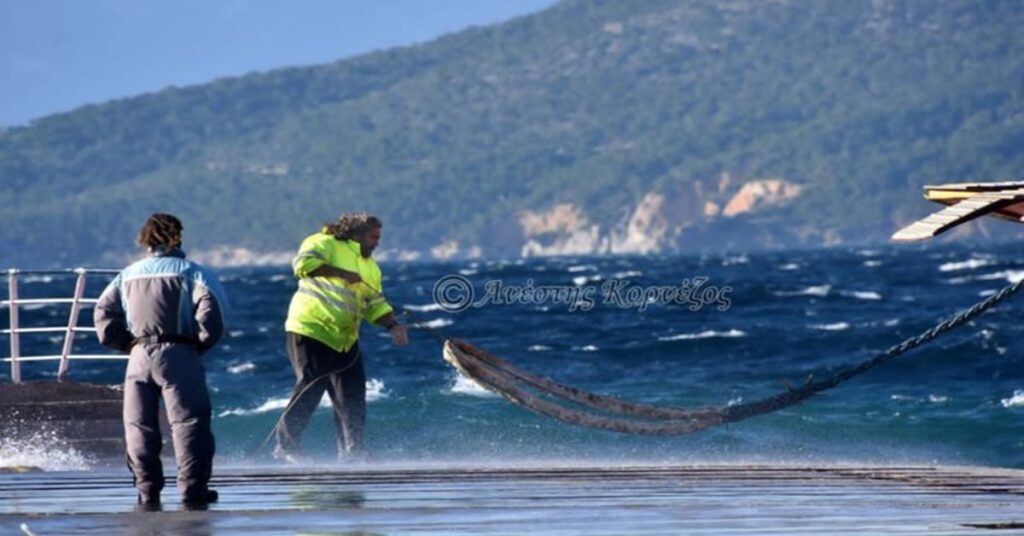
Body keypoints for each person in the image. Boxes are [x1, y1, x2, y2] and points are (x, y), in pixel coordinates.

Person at [94, 213, 228, 507]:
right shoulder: (192, 273)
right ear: (177, 237)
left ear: (144, 239)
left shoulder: (127, 275)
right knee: (189, 422)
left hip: (139, 354)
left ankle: (147, 490)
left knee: (138, 425)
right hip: (179, 351)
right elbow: (213, 316)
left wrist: (124, 343)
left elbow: (103, 315)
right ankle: (193, 490)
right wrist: (199, 345)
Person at [275, 212, 408, 463]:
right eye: (373, 237)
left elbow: (374, 305)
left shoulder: (371, 267)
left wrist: (393, 326)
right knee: (312, 385)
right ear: (357, 235)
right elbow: (302, 266)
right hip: (311, 327)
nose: (377, 242)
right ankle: (286, 447)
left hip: (345, 338)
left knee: (353, 394)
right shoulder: (324, 243)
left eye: (379, 237)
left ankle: (352, 451)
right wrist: (340, 273)